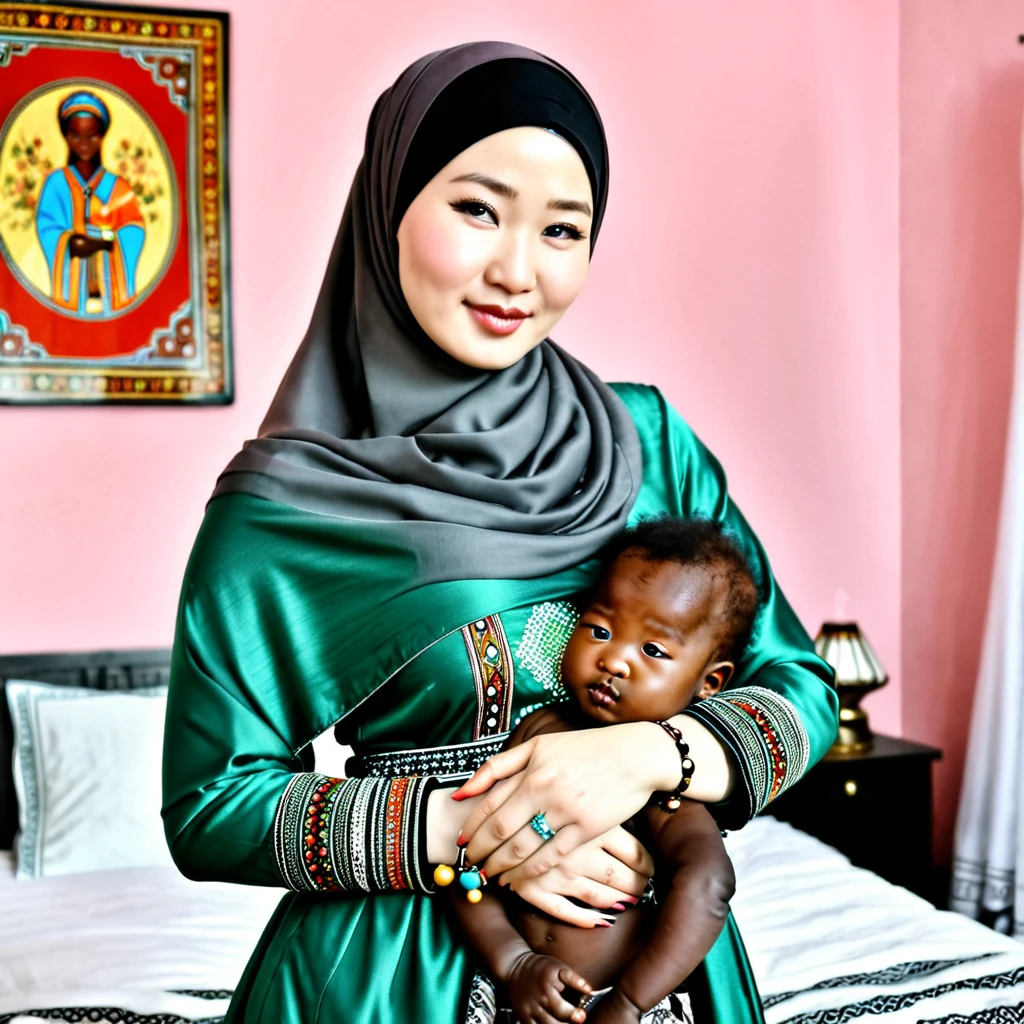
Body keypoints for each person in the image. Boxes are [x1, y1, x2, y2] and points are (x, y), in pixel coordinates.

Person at [161, 42, 838, 1024]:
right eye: (476, 209)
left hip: (651, 978)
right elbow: (207, 805)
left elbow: (797, 685)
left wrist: (647, 758)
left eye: (563, 229)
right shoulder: (283, 509)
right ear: (389, 201)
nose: (517, 271)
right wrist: (465, 824)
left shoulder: (645, 442)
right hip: (386, 977)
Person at [446, 516, 757, 1024]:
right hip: (515, 995)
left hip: (618, 1002)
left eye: (653, 650)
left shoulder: (662, 774)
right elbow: (466, 861)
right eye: (601, 629)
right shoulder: (535, 737)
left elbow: (708, 883)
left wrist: (630, 1003)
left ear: (710, 682)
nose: (614, 659)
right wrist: (515, 962)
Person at [35, 90, 145, 317]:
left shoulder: (118, 187)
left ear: (102, 135)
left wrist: (108, 241)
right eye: (76, 136)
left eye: (92, 135)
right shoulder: (56, 184)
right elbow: (48, 229)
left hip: (109, 288)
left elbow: (133, 228)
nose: (84, 144)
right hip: (70, 294)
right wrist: (72, 241)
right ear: (66, 136)